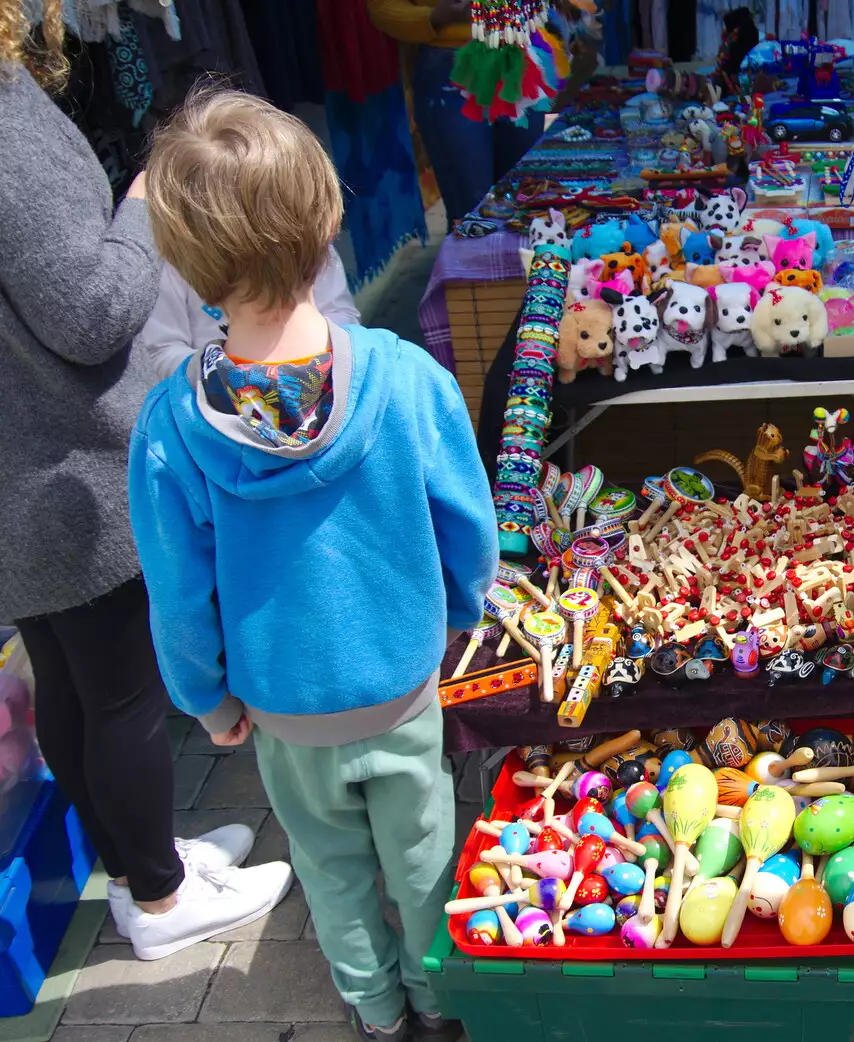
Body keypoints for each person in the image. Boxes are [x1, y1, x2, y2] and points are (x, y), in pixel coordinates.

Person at [130, 89, 498, 1041]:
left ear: (183, 257)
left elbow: (178, 594)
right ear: (324, 218)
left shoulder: (172, 426)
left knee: (329, 870)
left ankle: (374, 1013)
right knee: (423, 860)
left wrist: (208, 701)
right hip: (402, 684)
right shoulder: (406, 378)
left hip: (282, 709)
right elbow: (467, 521)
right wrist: (462, 611)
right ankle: (439, 1001)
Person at [0, 2, 290, 961]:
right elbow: (87, 310)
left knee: (70, 682)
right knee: (116, 691)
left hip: (22, 466)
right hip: (61, 463)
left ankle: (138, 865)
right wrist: (135, 217)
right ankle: (161, 904)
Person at [366, 0, 544, 222]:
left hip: (520, 58)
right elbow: (382, 8)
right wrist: (436, 17)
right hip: (449, 70)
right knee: (472, 209)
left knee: (526, 199)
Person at [137, 248, 361, 381]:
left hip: (324, 374)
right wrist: (227, 376)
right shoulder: (171, 261)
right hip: (220, 411)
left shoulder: (304, 234)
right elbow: (161, 350)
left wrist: (310, 357)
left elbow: (341, 313)